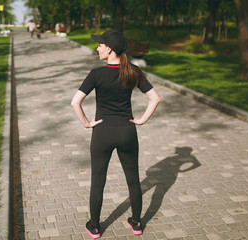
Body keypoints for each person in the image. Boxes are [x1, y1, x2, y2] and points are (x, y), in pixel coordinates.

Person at [71, 29, 160, 238]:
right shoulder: (133, 71)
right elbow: (155, 98)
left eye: (100, 45)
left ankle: (94, 226)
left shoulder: (96, 74)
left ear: (109, 49)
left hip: (102, 132)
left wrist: (86, 123)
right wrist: (141, 120)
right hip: (127, 132)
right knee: (133, 180)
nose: (97, 48)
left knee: (98, 182)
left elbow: (75, 102)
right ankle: (137, 223)